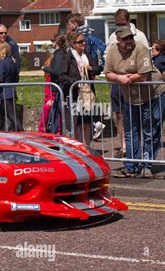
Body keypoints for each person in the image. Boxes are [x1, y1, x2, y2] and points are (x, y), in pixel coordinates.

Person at [105, 26, 163, 178]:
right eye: (125, 39)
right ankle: (131, 167)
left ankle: (146, 166)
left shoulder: (141, 48)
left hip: (151, 95)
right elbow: (108, 73)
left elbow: (144, 74)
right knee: (131, 133)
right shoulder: (112, 51)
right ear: (118, 40)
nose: (129, 41)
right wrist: (119, 78)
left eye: (131, 38)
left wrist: (127, 78)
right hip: (130, 98)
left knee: (149, 132)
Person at [105, 9, 149, 157]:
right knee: (120, 114)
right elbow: (108, 57)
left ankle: (139, 148)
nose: (120, 27)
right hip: (118, 82)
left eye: (122, 23)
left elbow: (145, 59)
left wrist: (132, 77)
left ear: (129, 21)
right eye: (117, 24)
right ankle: (124, 145)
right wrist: (118, 77)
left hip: (137, 85)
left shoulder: (140, 36)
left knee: (139, 116)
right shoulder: (113, 36)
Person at [58, 32, 101, 145]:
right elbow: (62, 76)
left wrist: (90, 68)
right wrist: (75, 83)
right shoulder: (68, 57)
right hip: (74, 95)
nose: (83, 43)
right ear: (73, 44)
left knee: (87, 123)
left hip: (86, 95)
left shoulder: (86, 55)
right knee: (76, 125)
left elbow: (98, 69)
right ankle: (77, 150)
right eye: (80, 41)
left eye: (83, 41)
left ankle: (87, 149)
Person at [40, 34, 68, 133]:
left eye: (53, 40)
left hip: (56, 94)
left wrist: (46, 69)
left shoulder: (58, 56)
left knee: (57, 118)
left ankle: (51, 135)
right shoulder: (61, 54)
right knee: (56, 117)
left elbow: (58, 73)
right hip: (54, 94)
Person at [0, 42, 21, 131]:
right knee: (2, 116)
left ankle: (22, 131)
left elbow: (0, 78)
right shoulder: (13, 62)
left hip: (3, 93)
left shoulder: (1, 62)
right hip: (12, 91)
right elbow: (17, 78)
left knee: (11, 116)